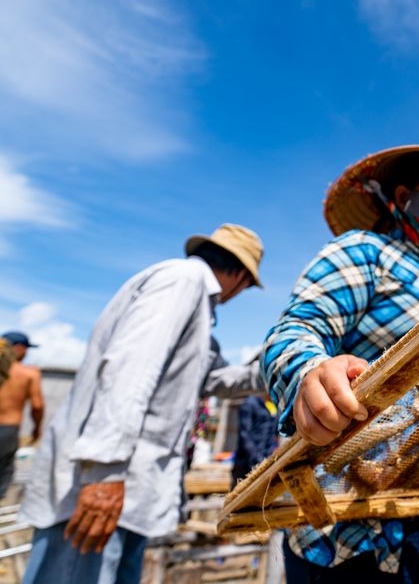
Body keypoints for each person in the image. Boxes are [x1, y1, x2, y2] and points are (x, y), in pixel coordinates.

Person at [260, 145, 419, 583]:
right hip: (351, 525)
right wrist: (311, 376)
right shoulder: (366, 252)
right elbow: (296, 331)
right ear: (402, 196)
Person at [20, 224, 266, 584]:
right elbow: (129, 369)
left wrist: (275, 372)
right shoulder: (182, 281)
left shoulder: (198, 305)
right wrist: (105, 472)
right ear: (241, 276)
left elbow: (211, 380)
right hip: (105, 486)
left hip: (134, 493)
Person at [0, 332, 45, 499]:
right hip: (7, 430)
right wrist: (37, 429)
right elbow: (37, 405)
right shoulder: (29, 372)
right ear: (19, 348)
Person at [230, 394, 279, 488]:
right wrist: (257, 459)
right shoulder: (250, 404)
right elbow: (244, 435)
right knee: (239, 497)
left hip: (265, 463)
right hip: (246, 464)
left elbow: (274, 435)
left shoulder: (273, 407)